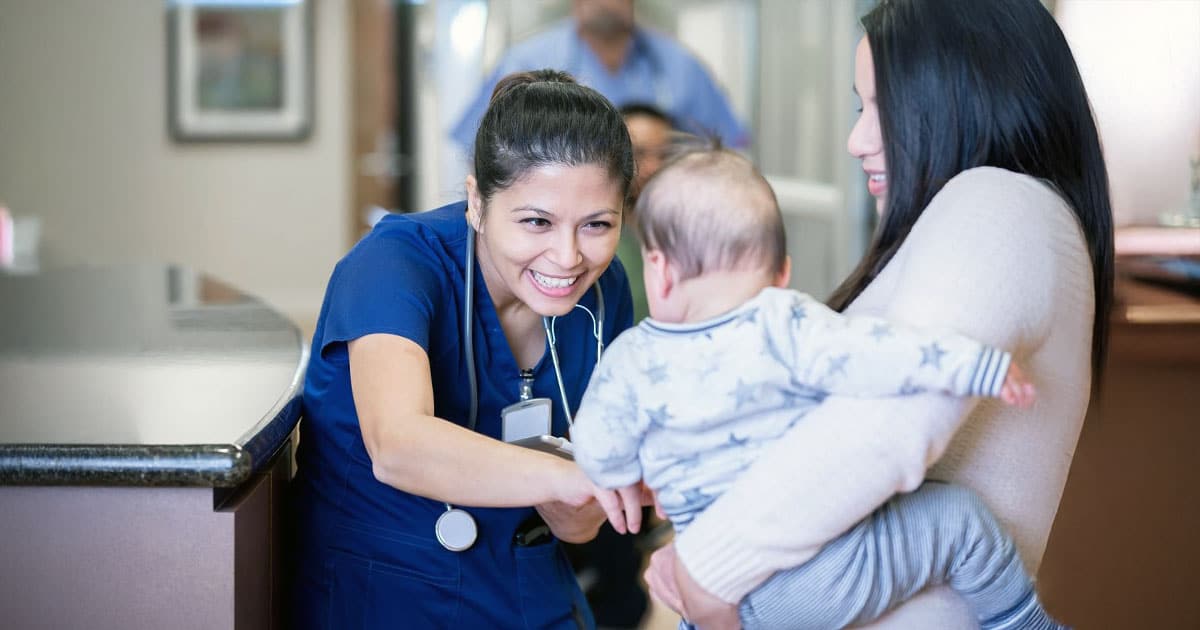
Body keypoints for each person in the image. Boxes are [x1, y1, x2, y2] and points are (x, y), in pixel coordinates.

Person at [642, 0, 1115, 628]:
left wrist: (710, 563)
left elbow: (885, 425)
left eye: (880, 109)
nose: (856, 139)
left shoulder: (999, 204)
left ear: (959, 98)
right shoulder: (990, 217)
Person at [572, 146, 1060, 630]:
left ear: (659, 272)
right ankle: (1025, 624)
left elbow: (595, 441)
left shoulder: (628, 359)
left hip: (710, 590)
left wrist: (621, 474)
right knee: (960, 520)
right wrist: (975, 365)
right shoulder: (784, 321)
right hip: (822, 576)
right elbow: (880, 353)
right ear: (781, 273)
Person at [289, 69, 638, 629]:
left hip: (526, 585)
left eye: (597, 224)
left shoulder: (604, 293)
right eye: (536, 221)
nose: (569, 256)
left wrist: (597, 497)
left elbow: (579, 525)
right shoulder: (394, 264)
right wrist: (570, 477)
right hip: (385, 591)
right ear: (477, 200)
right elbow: (398, 444)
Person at [450, 0, 748, 151]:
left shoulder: (680, 66)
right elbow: (479, 149)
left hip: (657, 225)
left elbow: (726, 150)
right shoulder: (527, 60)